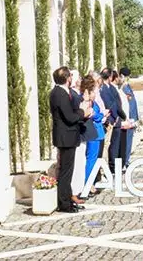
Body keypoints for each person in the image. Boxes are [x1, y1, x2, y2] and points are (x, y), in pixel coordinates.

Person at [48, 66, 86, 213]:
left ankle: (67, 199)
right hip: (66, 136)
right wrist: (83, 112)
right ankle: (64, 203)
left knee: (67, 171)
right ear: (66, 78)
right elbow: (69, 117)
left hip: (67, 136)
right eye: (70, 76)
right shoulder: (59, 94)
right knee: (66, 172)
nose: (72, 78)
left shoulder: (61, 92)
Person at [79, 72, 106, 197]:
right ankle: (87, 185)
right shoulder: (87, 102)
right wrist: (99, 115)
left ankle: (90, 184)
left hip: (96, 132)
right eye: (94, 90)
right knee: (91, 160)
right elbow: (97, 115)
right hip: (93, 133)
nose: (96, 93)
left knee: (93, 160)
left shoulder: (92, 102)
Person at [101, 69, 127, 176]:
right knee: (110, 147)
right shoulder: (104, 89)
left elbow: (117, 104)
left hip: (115, 119)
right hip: (111, 120)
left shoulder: (110, 88)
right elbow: (111, 104)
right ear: (110, 77)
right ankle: (111, 168)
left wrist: (121, 116)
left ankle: (114, 167)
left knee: (114, 146)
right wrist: (116, 116)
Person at [120, 66, 141, 164]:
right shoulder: (123, 87)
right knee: (126, 141)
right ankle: (125, 160)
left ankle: (127, 159)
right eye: (126, 76)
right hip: (128, 118)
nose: (127, 78)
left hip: (132, 117)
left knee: (129, 140)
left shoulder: (127, 86)